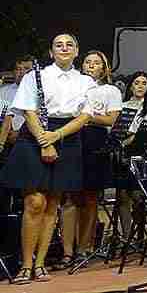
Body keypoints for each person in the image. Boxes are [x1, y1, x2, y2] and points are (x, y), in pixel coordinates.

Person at [2, 34, 94, 284]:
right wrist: (45, 140)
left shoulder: (86, 81)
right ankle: (25, 264)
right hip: (35, 134)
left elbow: (85, 116)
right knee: (34, 202)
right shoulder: (35, 76)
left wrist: (58, 135)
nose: (64, 48)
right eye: (58, 45)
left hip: (67, 135)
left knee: (53, 203)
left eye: (70, 45)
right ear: (51, 52)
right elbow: (28, 110)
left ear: (77, 52)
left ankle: (41, 264)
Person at [59, 50, 122, 269]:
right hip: (72, 138)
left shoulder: (110, 90)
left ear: (104, 68)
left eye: (96, 63)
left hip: (95, 141)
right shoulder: (72, 85)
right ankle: (66, 252)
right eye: (87, 62)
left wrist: (86, 117)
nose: (90, 66)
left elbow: (111, 119)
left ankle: (84, 248)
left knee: (90, 197)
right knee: (69, 197)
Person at [116, 71, 147, 243]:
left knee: (138, 196)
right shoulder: (122, 105)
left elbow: (145, 133)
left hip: (141, 155)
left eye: (144, 83)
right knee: (122, 196)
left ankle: (140, 238)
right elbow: (116, 131)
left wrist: (129, 136)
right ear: (131, 86)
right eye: (137, 82)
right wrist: (126, 137)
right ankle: (126, 236)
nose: (140, 86)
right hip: (122, 155)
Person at [0, 56, 33, 215]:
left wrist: (20, 133)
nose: (21, 72)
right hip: (5, 144)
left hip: (28, 142)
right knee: (4, 187)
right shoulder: (4, 91)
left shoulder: (37, 93)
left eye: (25, 69)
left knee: (23, 191)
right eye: (18, 69)